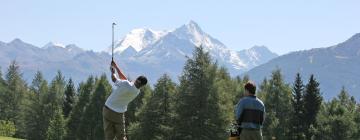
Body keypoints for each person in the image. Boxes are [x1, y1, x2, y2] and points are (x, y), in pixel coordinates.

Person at [103, 60, 148, 140]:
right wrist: (116, 67)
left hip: (108, 110)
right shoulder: (136, 91)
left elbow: (114, 79)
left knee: (109, 135)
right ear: (142, 86)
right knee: (121, 137)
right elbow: (125, 80)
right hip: (119, 114)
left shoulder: (126, 84)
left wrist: (112, 71)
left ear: (136, 79)